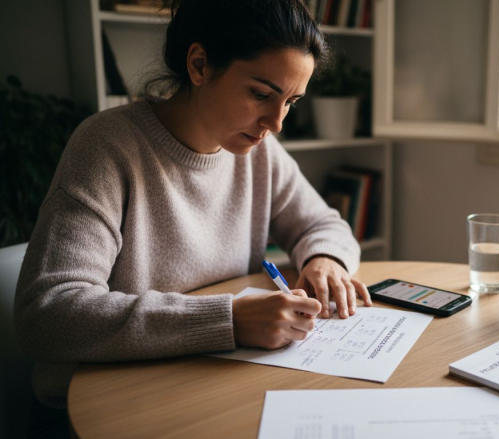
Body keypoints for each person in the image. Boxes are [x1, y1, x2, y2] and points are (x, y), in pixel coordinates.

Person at [14, 0, 372, 422]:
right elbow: (50, 313)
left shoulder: (259, 152)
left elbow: (323, 222)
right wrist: (229, 320)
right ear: (200, 65)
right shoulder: (107, 148)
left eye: (291, 101)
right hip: (101, 408)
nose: (276, 123)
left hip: (209, 386)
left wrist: (324, 258)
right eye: (261, 94)